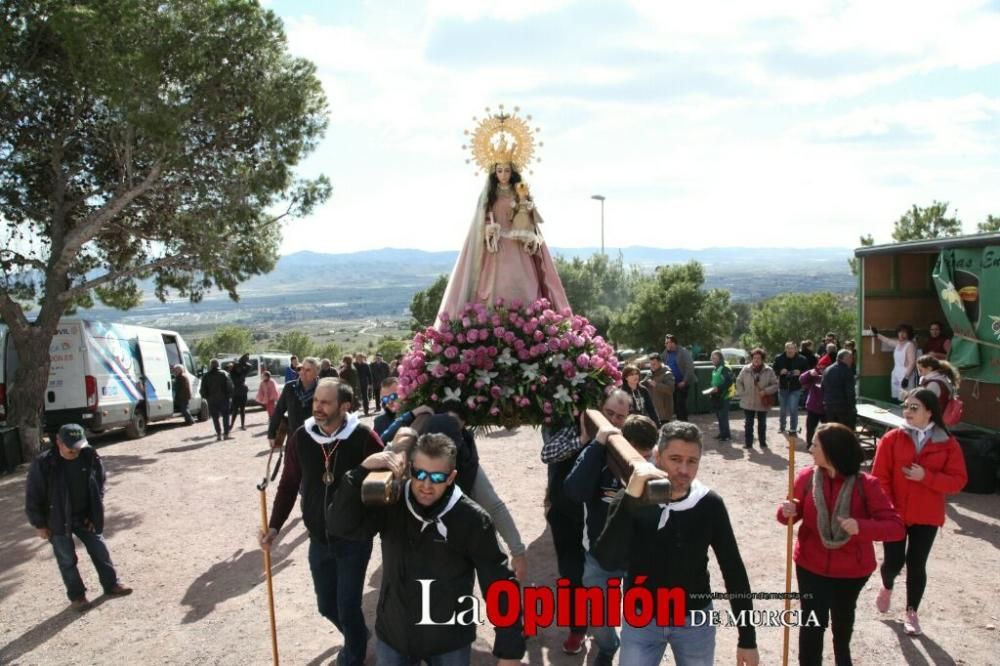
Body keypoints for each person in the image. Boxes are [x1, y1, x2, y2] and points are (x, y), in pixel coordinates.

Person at [329, 431, 525, 665]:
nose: (426, 485)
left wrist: (510, 651)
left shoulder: (472, 519)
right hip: (394, 636)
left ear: (451, 477)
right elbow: (341, 526)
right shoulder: (392, 502)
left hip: (449, 641)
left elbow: (499, 583)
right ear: (410, 468)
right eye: (419, 474)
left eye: (437, 477)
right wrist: (359, 472)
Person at [594, 421, 760, 666]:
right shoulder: (631, 497)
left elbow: (733, 568)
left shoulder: (708, 504)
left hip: (694, 620)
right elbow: (607, 559)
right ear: (657, 456)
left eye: (692, 461)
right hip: (641, 618)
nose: (684, 469)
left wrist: (748, 638)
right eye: (675, 459)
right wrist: (630, 500)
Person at [260, 379, 384, 665]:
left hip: (354, 539)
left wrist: (372, 526)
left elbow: (388, 476)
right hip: (319, 538)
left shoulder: (363, 437)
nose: (317, 406)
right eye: (316, 400)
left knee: (348, 604)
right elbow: (289, 485)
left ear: (345, 406)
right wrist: (275, 527)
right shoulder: (302, 437)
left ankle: (353, 656)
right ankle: (357, 635)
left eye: (325, 402)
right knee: (327, 605)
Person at [777, 423, 904, 666]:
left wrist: (861, 527)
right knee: (812, 624)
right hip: (810, 565)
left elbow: (896, 528)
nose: (810, 448)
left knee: (842, 622)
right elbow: (788, 518)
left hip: (852, 570)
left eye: (815, 444)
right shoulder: (806, 478)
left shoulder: (866, 485)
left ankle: (842, 658)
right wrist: (787, 511)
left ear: (832, 451)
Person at [539, 388, 630, 654]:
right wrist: (584, 439)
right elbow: (547, 453)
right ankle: (577, 628)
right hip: (567, 516)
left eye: (620, 416)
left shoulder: (627, 439)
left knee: (604, 576)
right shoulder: (577, 427)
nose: (613, 420)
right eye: (609, 413)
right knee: (571, 572)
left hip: (602, 523)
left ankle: (604, 629)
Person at [437, 141, 571, 320]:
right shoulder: (488, 196)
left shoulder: (520, 193)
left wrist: (528, 227)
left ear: (512, 172)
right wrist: (487, 229)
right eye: (500, 171)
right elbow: (479, 221)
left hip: (519, 248)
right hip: (496, 250)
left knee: (525, 285)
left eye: (507, 170)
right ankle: (494, 324)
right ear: (494, 172)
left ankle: (527, 323)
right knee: (496, 288)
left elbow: (529, 220)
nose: (504, 175)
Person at [871, 389, 967, 637]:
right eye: (906, 406)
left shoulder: (948, 444)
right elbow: (879, 477)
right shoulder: (891, 439)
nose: (907, 412)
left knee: (916, 564)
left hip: (927, 515)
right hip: (894, 514)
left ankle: (911, 612)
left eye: (914, 407)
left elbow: (958, 481)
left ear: (929, 411)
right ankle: (887, 585)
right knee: (893, 562)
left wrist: (927, 477)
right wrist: (887, 509)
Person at [564, 415, 658, 666]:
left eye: (647, 454)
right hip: (599, 555)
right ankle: (607, 647)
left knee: (640, 617)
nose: (641, 461)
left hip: (640, 560)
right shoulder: (601, 459)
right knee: (598, 617)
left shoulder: (657, 465)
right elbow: (574, 491)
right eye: (636, 454)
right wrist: (596, 447)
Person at [25, 424, 133, 611]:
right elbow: (33, 495)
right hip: (57, 519)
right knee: (67, 560)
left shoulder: (89, 455)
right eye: (70, 446)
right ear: (58, 442)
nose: (75, 450)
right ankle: (78, 597)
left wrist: (94, 513)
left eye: (78, 446)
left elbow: (99, 483)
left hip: (84, 516)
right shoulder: (43, 463)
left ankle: (111, 584)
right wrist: (39, 524)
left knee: (100, 550)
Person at [268, 357, 319, 448]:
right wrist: (271, 433)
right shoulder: (290, 387)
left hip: (316, 441)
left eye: (308, 370)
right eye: (302, 368)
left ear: (316, 373)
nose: (303, 372)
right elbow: (279, 410)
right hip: (293, 440)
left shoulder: (322, 389)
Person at [734, 348, 779, 450]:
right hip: (748, 401)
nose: (756, 360)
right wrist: (742, 392)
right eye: (754, 358)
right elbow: (738, 381)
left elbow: (775, 385)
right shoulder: (745, 369)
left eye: (759, 358)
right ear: (752, 358)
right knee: (748, 424)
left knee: (762, 424)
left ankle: (762, 443)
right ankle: (748, 443)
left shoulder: (769, 370)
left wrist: (766, 391)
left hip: (762, 402)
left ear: (762, 359)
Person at [873, 324, 917, 401]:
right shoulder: (898, 344)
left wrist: (906, 378)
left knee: (906, 398)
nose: (901, 334)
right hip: (896, 372)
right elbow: (887, 341)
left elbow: (912, 362)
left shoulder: (910, 345)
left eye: (904, 332)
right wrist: (877, 334)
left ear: (909, 334)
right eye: (900, 332)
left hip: (905, 374)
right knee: (898, 397)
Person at [773, 341, 808, 436]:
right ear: (785, 349)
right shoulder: (779, 358)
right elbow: (774, 370)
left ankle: (793, 429)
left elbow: (807, 372)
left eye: (792, 348)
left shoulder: (802, 359)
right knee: (783, 409)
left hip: (795, 387)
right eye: (788, 348)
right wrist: (780, 371)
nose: (790, 350)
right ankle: (782, 426)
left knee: (793, 409)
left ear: (795, 349)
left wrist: (800, 372)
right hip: (783, 387)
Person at [199, 358, 234, 441]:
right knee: (225, 416)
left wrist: (207, 397)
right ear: (218, 365)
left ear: (211, 365)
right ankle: (226, 434)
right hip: (223, 399)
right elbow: (230, 386)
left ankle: (218, 434)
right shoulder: (224, 374)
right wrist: (229, 396)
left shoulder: (206, 376)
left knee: (215, 418)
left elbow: (202, 389)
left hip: (212, 400)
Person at [664, 334, 696, 421]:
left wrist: (684, 381)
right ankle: (679, 423)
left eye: (667, 343)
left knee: (680, 404)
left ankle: (684, 423)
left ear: (673, 343)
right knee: (675, 405)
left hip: (682, 383)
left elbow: (689, 367)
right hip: (672, 383)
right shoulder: (666, 353)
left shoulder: (683, 352)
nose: (666, 345)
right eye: (665, 343)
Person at [822, 350, 857, 430]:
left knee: (831, 431)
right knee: (845, 432)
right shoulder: (847, 371)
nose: (852, 360)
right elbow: (850, 392)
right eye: (851, 358)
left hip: (829, 406)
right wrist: (852, 407)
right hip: (843, 408)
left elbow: (823, 387)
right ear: (845, 358)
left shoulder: (827, 369)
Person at [707, 349, 734, 442]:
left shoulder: (724, 368)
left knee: (723, 416)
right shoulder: (715, 368)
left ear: (720, 358)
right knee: (719, 416)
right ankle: (722, 433)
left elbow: (729, 382)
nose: (712, 359)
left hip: (724, 396)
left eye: (715, 358)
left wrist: (719, 388)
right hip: (716, 396)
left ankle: (726, 435)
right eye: (712, 358)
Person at [641, 352, 675, 424]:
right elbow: (642, 384)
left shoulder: (667, 374)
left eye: (654, 364)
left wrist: (656, 385)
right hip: (652, 412)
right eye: (650, 364)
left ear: (660, 363)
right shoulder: (650, 373)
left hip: (663, 413)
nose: (652, 366)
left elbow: (670, 389)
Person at [799, 365, 826, 450]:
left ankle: (825, 446)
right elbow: (802, 380)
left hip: (826, 408)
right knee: (810, 427)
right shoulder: (814, 375)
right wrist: (809, 373)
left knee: (826, 429)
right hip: (813, 406)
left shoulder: (831, 375)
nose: (822, 370)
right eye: (821, 368)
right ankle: (809, 444)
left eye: (824, 368)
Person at [228, 353, 252, 431]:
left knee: (242, 409)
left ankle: (241, 425)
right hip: (237, 391)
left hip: (240, 391)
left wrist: (242, 363)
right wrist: (240, 363)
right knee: (236, 410)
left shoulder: (242, 370)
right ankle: (232, 425)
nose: (239, 368)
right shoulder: (234, 372)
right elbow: (248, 367)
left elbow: (249, 366)